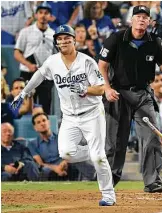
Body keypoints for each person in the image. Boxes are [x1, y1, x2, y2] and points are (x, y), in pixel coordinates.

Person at [10, 24, 116, 206]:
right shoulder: (52, 61)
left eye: (67, 37)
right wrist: (24, 93)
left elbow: (101, 89)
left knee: (98, 157)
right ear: (57, 42)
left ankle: (108, 195)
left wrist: (85, 89)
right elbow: (39, 75)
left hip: (92, 113)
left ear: (74, 40)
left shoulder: (87, 61)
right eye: (60, 38)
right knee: (66, 153)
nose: (63, 41)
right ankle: (94, 152)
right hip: (70, 117)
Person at [98, 5, 162, 193]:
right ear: (131, 20)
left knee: (152, 137)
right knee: (116, 140)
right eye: (138, 16)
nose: (141, 19)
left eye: (145, 17)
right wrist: (106, 88)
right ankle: (109, 180)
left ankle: (153, 181)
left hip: (143, 95)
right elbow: (102, 66)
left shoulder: (154, 41)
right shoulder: (117, 38)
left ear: (149, 22)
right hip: (118, 93)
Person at [28, 112, 95, 181]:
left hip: (65, 165)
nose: (42, 123)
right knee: (44, 170)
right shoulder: (32, 144)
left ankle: (92, 178)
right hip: (49, 169)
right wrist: (55, 168)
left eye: (44, 120)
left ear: (49, 122)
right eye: (38, 122)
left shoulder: (61, 137)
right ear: (35, 128)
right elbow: (40, 163)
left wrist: (65, 162)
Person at [14, 2, 54, 114]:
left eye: (46, 13)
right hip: (27, 73)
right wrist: (29, 65)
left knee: (45, 106)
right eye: (40, 12)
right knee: (26, 104)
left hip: (45, 75)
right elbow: (17, 53)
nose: (43, 15)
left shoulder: (53, 34)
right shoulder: (25, 31)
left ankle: (44, 129)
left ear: (50, 17)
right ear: (36, 15)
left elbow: (57, 56)